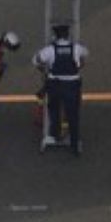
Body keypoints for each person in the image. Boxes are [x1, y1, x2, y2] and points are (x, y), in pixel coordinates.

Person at [34, 23, 87, 154]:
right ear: (68, 35)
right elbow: (84, 56)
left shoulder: (50, 50)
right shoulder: (76, 48)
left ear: (56, 36)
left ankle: (55, 135)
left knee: (53, 111)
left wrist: (43, 69)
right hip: (72, 85)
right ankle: (74, 144)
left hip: (55, 85)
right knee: (73, 114)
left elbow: (36, 60)